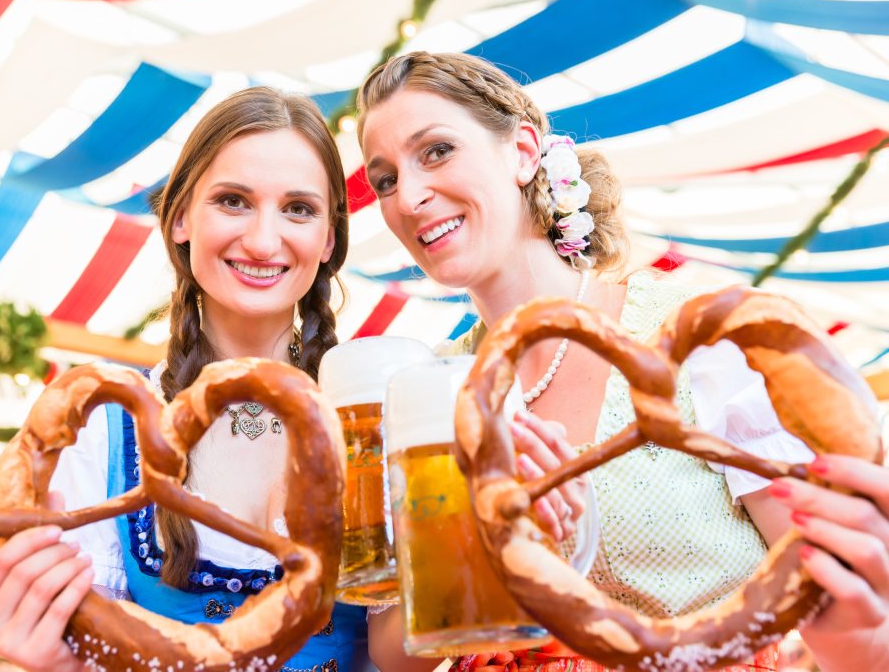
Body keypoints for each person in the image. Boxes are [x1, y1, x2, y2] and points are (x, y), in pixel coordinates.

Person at [356, 51, 889, 672]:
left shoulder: (701, 337)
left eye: (437, 151)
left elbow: (843, 601)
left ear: (524, 151)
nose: (410, 196)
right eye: (386, 179)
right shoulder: (429, 390)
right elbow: (396, 659)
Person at [0, 87, 366, 671]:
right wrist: (54, 662)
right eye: (233, 201)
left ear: (328, 238)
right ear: (179, 217)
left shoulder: (374, 418)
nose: (261, 239)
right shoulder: (102, 428)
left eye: (298, 209)